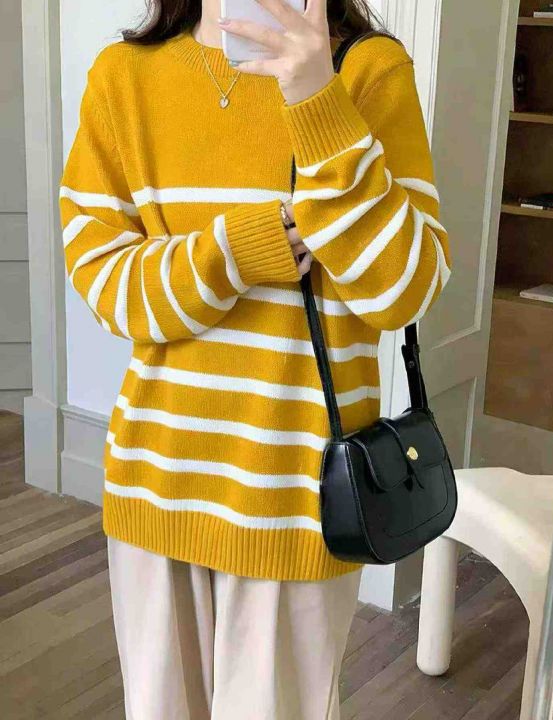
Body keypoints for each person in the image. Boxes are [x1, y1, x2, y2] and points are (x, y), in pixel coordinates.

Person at [58, 0, 452, 717]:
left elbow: (404, 291)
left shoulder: (366, 69)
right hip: (156, 479)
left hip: (299, 495)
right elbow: (108, 288)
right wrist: (233, 253)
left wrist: (316, 101)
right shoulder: (123, 77)